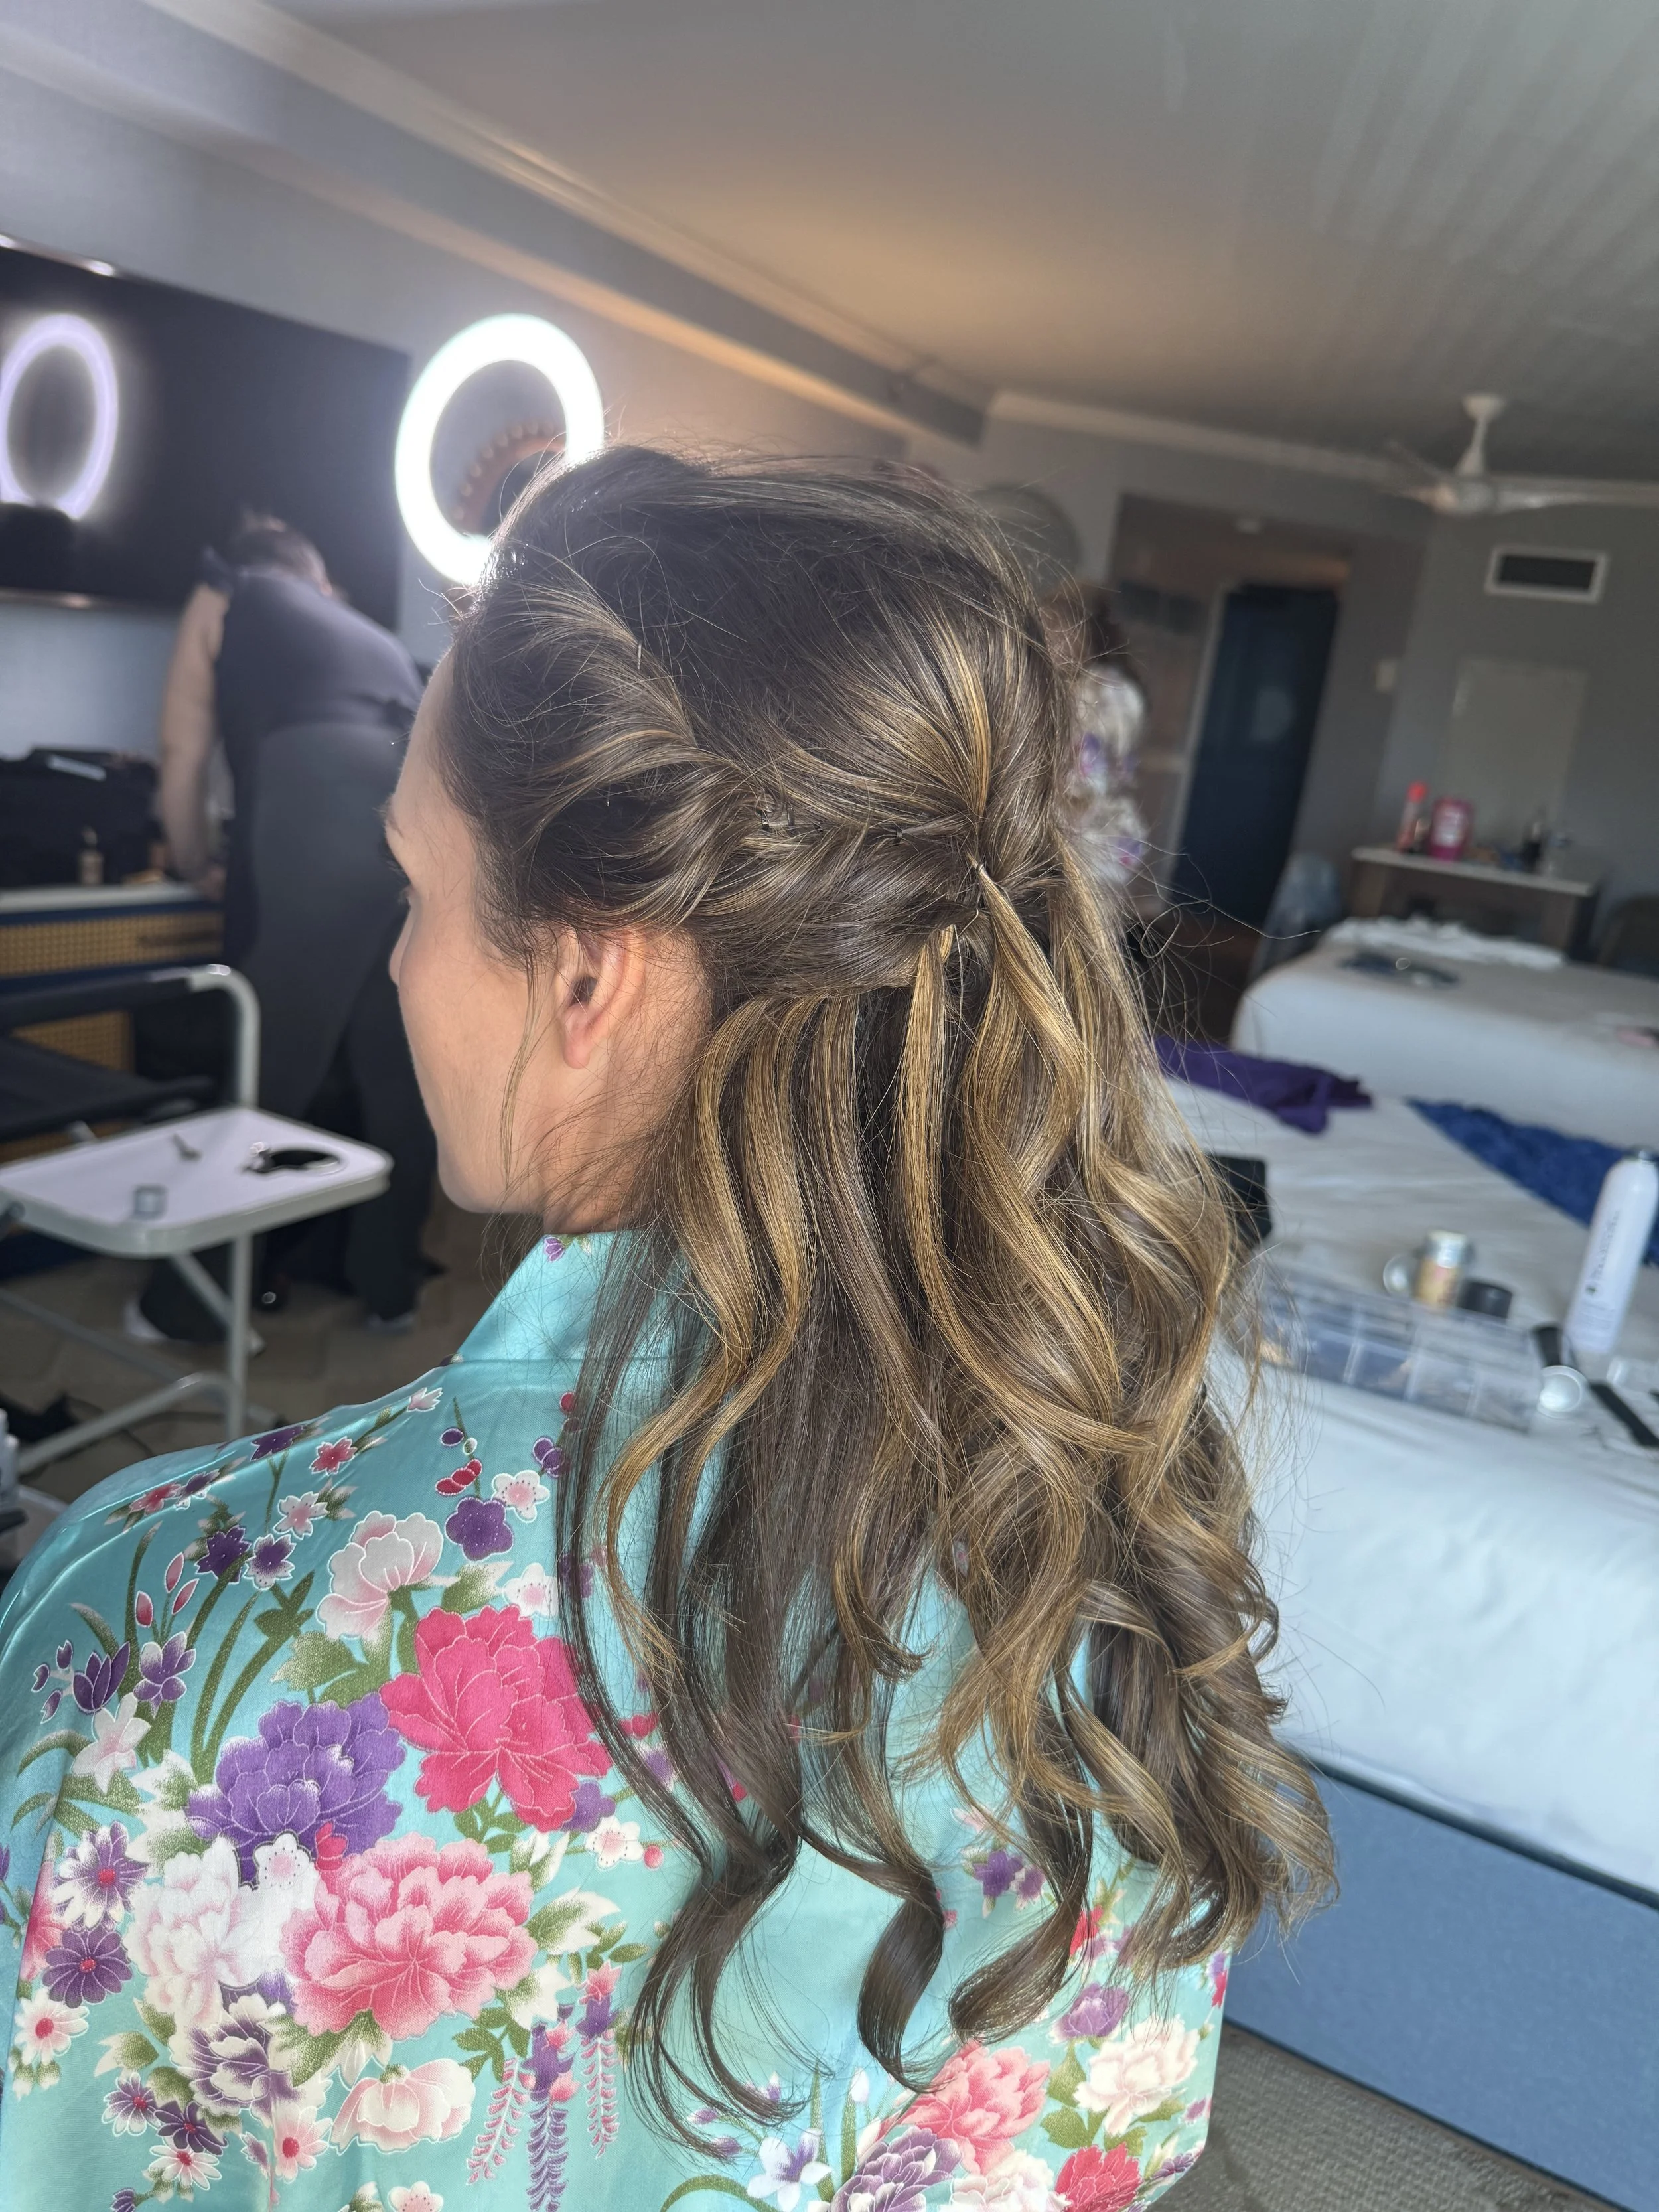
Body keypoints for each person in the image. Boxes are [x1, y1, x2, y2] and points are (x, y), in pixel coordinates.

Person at [0, 451, 1328, 2210]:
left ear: (585, 975)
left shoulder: (158, 1628)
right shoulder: (1097, 1518)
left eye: (412, 888)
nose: (395, 962)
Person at [151, 512, 435, 1330]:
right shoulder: (367, 633)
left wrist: (188, 860)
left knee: (267, 1068)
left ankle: (188, 1307)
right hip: (418, 801)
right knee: (397, 1072)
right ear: (318, 580)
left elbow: (181, 752)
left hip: (316, 793)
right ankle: (391, 1291)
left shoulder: (226, 586)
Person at [1045, 581, 1151, 899]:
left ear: (1086, 633)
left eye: (1055, 625)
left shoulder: (1106, 690)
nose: (1044, 636)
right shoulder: (1073, 685)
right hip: (1077, 838)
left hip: (1087, 842)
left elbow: (1082, 780)